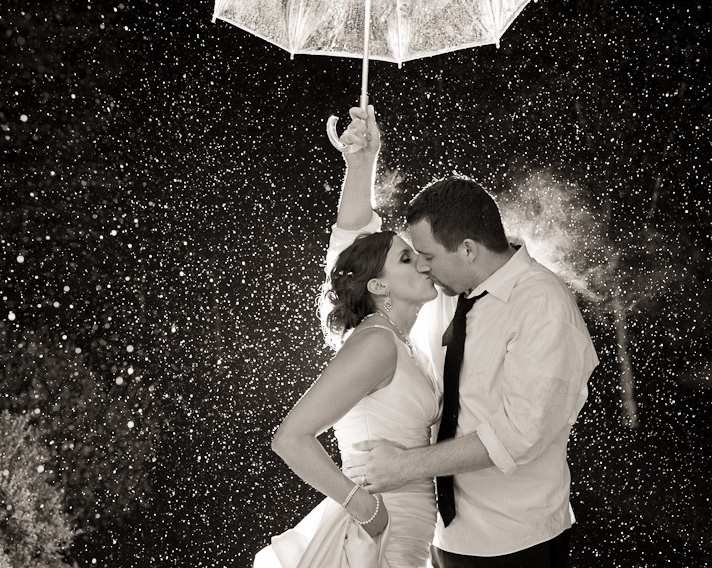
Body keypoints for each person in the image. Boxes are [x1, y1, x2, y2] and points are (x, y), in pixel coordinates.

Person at [337, 107, 600, 567]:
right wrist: (361, 165)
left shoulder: (542, 306)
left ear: (468, 249)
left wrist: (403, 467)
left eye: (425, 256)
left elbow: (518, 435)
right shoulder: (443, 288)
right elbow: (359, 263)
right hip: (442, 534)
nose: (420, 265)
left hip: (515, 541)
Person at [254, 106, 440, 568]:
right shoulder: (376, 342)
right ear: (378, 287)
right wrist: (366, 509)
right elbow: (290, 438)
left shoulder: (401, 339)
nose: (422, 262)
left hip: (416, 532)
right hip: (383, 536)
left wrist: (362, 163)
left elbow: (354, 237)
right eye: (405, 259)